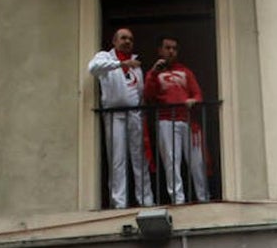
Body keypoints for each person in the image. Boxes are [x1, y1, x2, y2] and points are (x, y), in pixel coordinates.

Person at [87, 27, 154, 209]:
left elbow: (138, 93)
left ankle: (146, 200)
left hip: (134, 115)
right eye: (123, 38)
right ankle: (119, 202)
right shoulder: (105, 57)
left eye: (130, 39)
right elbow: (92, 68)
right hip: (115, 114)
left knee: (139, 158)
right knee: (118, 159)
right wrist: (120, 65)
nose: (127, 42)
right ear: (114, 41)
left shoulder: (135, 64)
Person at [143, 35, 209, 204]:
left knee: (197, 161)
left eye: (174, 48)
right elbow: (148, 96)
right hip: (166, 120)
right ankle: (177, 199)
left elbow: (198, 94)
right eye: (167, 48)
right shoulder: (154, 73)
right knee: (171, 161)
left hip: (188, 122)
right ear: (160, 50)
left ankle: (203, 197)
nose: (171, 51)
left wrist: (194, 100)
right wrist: (153, 73)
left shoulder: (186, 71)